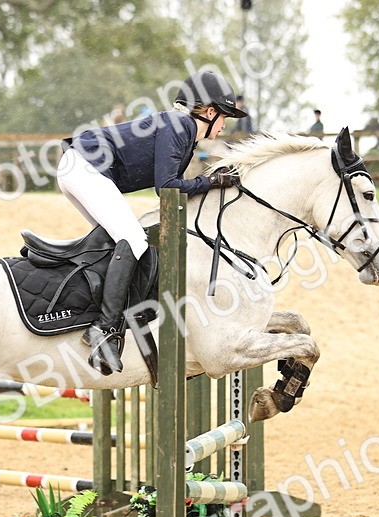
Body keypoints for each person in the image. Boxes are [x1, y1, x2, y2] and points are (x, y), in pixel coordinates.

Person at [58, 69, 245, 375]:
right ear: (209, 112)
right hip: (84, 166)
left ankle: (99, 316)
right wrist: (210, 182)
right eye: (224, 116)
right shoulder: (181, 125)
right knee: (132, 239)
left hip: (79, 166)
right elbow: (167, 187)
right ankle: (104, 330)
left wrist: (206, 183)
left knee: (114, 242)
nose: (224, 124)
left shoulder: (182, 129)